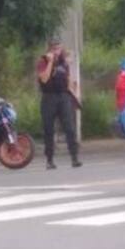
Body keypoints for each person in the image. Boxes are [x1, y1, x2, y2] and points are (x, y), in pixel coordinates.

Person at [36, 37, 81, 170]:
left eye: (59, 48)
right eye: (54, 48)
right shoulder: (43, 61)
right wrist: (50, 62)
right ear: (49, 49)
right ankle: (49, 160)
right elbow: (44, 79)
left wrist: (74, 93)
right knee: (49, 129)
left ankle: (74, 157)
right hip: (49, 97)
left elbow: (68, 79)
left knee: (70, 128)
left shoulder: (64, 63)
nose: (57, 51)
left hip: (63, 96)